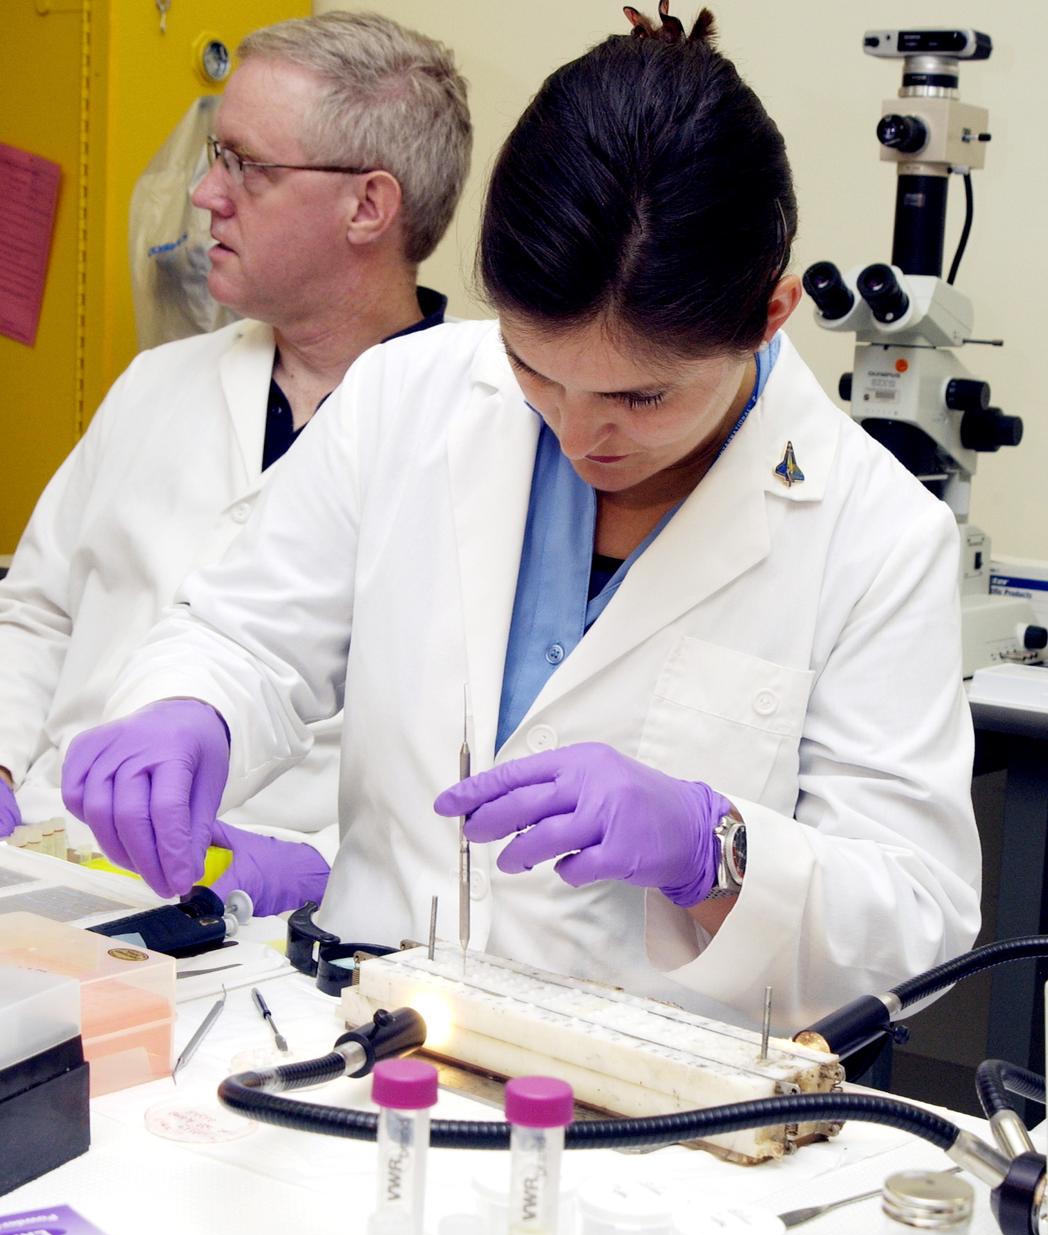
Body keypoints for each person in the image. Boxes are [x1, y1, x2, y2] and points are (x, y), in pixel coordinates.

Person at [61, 7, 979, 1030]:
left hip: (654, 1119)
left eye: (641, 399)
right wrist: (192, 708)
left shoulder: (875, 533)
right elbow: (243, 632)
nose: (582, 432)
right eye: (533, 369)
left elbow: (921, 920)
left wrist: (713, 843)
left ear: (767, 314)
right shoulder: (405, 392)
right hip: (369, 1037)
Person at [0, 11, 471, 913]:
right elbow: (39, 611)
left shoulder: (479, 433)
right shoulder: (156, 385)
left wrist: (328, 871)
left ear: (368, 206)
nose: (207, 195)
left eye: (247, 166)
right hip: (44, 869)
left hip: (276, 925)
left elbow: (479, 743)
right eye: (217, 156)